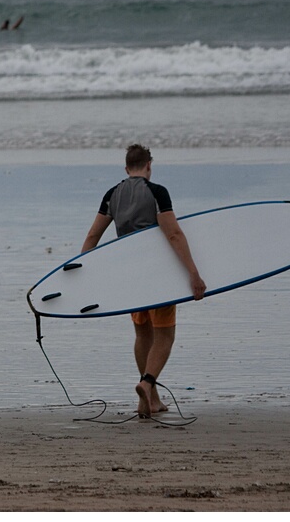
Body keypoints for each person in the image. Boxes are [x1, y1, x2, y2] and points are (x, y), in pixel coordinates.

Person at [81, 144, 206, 418]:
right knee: (165, 336)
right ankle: (147, 382)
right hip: (158, 277)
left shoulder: (112, 194)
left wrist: (82, 275)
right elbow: (173, 234)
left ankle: (149, 400)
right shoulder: (157, 192)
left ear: (127, 169)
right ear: (149, 165)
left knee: (142, 334)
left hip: (130, 279)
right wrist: (193, 273)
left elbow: (92, 237)